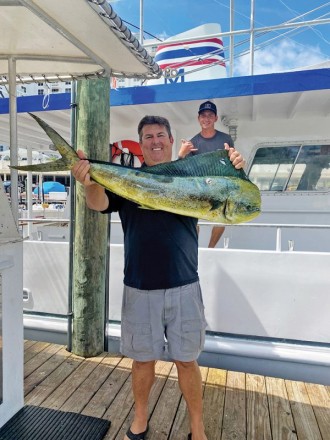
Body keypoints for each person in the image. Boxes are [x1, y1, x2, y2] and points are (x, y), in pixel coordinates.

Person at [72, 115, 245, 440]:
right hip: (140, 288)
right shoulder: (129, 179)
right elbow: (98, 204)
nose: (155, 141)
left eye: (161, 135)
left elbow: (230, 197)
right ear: (142, 144)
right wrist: (90, 182)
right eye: (148, 136)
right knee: (142, 361)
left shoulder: (191, 176)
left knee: (187, 361)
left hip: (184, 285)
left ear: (170, 140)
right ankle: (140, 418)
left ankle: (197, 425)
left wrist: (234, 168)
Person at [178, 101, 244, 248]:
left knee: (222, 219)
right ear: (198, 118)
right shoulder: (192, 142)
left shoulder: (226, 139)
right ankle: (195, 247)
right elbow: (184, 169)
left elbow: (231, 163)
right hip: (200, 188)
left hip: (220, 187)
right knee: (192, 219)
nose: (206, 118)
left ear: (215, 118)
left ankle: (210, 248)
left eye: (210, 115)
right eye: (203, 115)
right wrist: (181, 154)